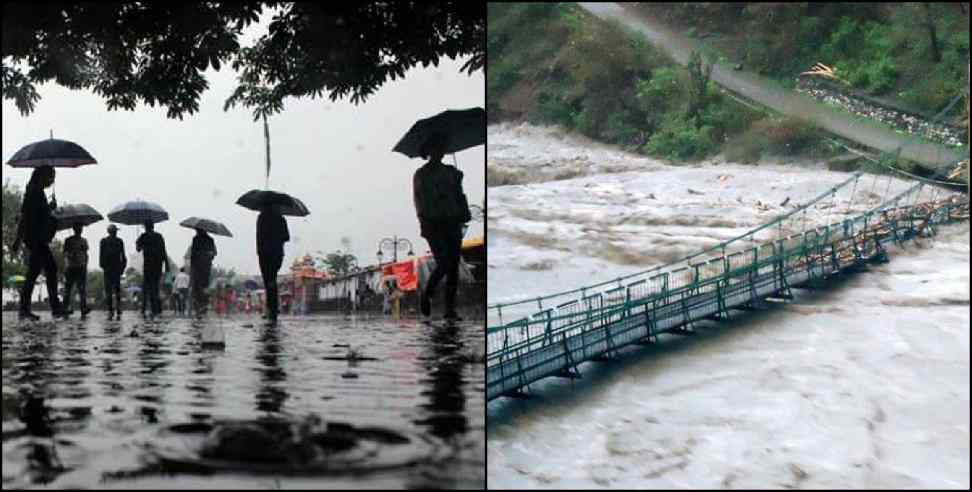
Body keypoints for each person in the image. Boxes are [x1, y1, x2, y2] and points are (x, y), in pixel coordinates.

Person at [412, 133, 471, 322]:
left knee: (453, 266)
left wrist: (458, 182)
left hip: (453, 221)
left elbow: (459, 196)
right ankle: (427, 294)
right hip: (433, 224)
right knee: (444, 263)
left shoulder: (452, 172)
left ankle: (450, 309)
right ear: (428, 152)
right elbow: (420, 201)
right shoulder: (421, 174)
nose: (439, 152)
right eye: (435, 148)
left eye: (442, 148)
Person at [12, 166, 67, 320]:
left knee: (37, 271)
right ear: (41, 176)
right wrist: (17, 239)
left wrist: (49, 208)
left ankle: (27, 308)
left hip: (37, 237)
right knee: (48, 269)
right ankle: (53, 308)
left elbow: (39, 214)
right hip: (35, 238)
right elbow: (25, 216)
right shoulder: (33, 192)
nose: (52, 181)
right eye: (50, 177)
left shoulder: (37, 191)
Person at [257, 203, 289, 326]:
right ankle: (273, 310)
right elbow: (286, 237)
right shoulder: (280, 219)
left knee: (268, 281)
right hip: (277, 254)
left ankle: (271, 310)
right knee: (272, 280)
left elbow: (259, 237)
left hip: (264, 254)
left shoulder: (261, 217)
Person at [136, 221, 169, 319]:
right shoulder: (159, 236)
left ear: (145, 227)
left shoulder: (143, 236)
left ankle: (145, 308)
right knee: (155, 287)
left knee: (146, 287)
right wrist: (166, 264)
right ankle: (156, 309)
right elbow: (163, 250)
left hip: (148, 264)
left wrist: (138, 242)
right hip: (158, 265)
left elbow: (138, 249)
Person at [62, 223, 92, 318]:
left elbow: (86, 253)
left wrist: (85, 264)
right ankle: (65, 308)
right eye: (78, 228)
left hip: (81, 266)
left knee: (82, 289)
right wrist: (71, 255)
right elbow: (65, 252)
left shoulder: (84, 240)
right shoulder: (68, 240)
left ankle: (83, 308)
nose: (80, 230)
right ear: (75, 229)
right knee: (68, 289)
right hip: (71, 267)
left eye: (81, 228)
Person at [100, 224, 127, 320]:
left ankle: (111, 309)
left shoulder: (104, 241)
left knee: (110, 290)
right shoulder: (119, 241)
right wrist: (122, 268)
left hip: (110, 269)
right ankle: (116, 308)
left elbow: (101, 257)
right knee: (116, 290)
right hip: (115, 269)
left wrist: (103, 267)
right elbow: (123, 257)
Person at [189, 228, 216, 318]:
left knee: (198, 286)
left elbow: (193, 254)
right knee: (204, 286)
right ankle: (203, 305)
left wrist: (192, 267)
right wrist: (209, 255)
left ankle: (200, 306)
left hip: (198, 267)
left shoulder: (196, 239)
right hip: (205, 266)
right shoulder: (210, 240)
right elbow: (214, 253)